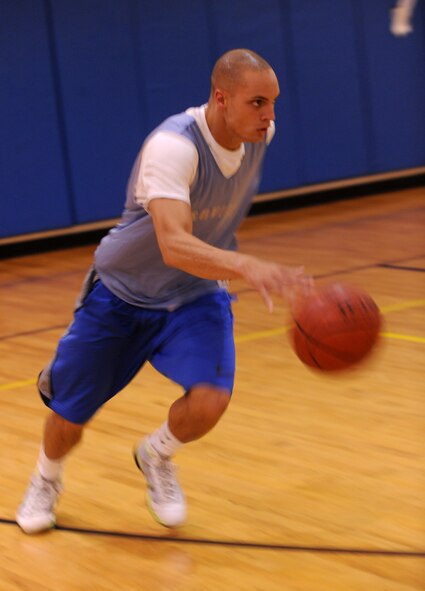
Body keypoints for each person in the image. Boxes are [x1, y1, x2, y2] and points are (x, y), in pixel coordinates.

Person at [16, 48, 311, 534]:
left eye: (273, 103)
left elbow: (189, 258)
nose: (269, 116)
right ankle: (46, 479)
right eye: (258, 103)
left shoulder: (259, 135)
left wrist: (231, 267)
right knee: (70, 416)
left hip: (194, 294)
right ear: (221, 98)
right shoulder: (174, 146)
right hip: (122, 294)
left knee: (211, 400)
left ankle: (155, 455)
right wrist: (245, 264)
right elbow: (173, 244)